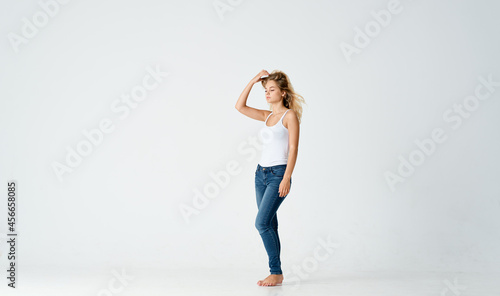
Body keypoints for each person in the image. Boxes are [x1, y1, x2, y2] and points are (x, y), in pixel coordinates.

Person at [235, 69, 305, 286]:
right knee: (270, 225)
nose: (267, 93)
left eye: (272, 89)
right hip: (260, 174)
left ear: (283, 93)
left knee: (261, 223)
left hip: (277, 175)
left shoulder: (289, 116)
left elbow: (293, 149)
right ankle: (277, 272)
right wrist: (254, 80)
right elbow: (239, 107)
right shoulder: (267, 116)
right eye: (265, 90)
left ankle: (275, 272)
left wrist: (286, 178)